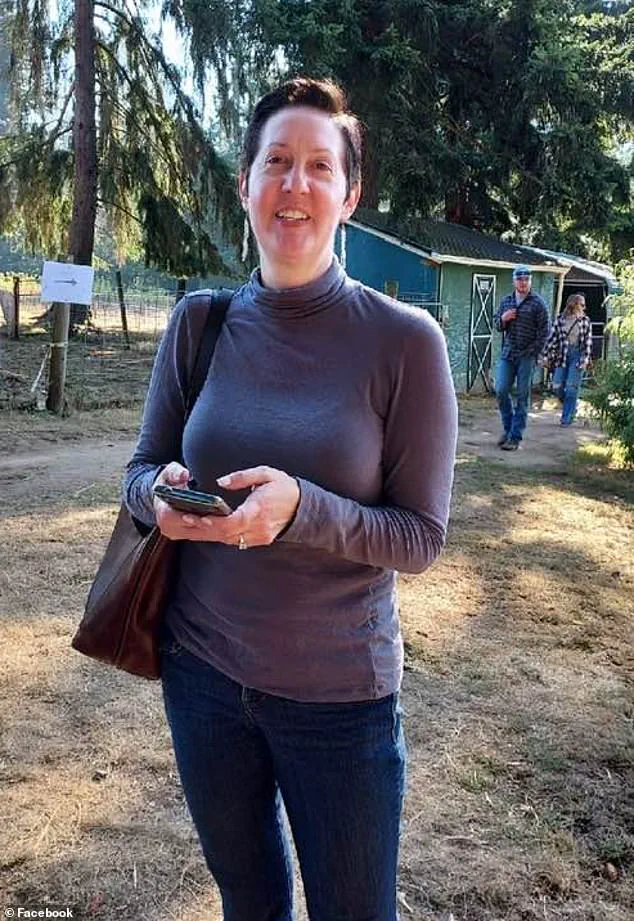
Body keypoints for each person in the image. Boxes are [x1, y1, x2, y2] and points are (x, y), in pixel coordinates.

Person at [124, 77, 458, 921]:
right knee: (250, 901)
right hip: (202, 678)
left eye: (319, 165)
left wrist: (302, 507)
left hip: (341, 700)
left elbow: (420, 536)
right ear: (246, 184)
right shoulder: (199, 323)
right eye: (276, 161)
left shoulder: (405, 343)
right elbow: (140, 468)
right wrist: (156, 497)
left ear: (350, 195)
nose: (294, 184)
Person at [493, 264, 550, 451]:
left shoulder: (538, 303)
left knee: (522, 395)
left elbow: (544, 332)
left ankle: (515, 437)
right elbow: (496, 324)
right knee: (501, 390)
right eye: (520, 279)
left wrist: (533, 352)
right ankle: (508, 428)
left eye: (526, 279)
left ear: (530, 281)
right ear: (514, 281)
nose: (523, 283)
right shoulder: (507, 301)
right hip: (508, 353)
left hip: (527, 356)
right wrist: (504, 318)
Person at [541, 292, 593, 426]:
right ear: (574, 304)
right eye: (582, 305)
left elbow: (588, 342)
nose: (584, 307)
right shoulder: (560, 320)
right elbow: (551, 339)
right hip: (562, 356)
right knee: (556, 386)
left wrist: (585, 359)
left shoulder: (585, 321)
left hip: (578, 355)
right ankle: (572, 406)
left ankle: (566, 418)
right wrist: (545, 356)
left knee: (571, 388)